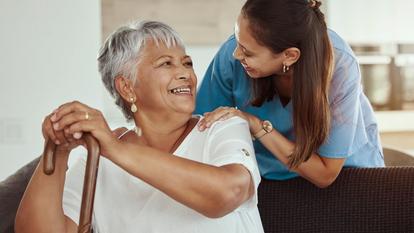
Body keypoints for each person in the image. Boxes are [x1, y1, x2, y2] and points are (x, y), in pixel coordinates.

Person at [15, 21, 264, 233]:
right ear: (127, 87)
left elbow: (228, 194)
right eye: (166, 64)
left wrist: (115, 149)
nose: (185, 73)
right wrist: (57, 152)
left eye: (186, 63)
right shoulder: (98, 159)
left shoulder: (222, 126)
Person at [196, 0, 385, 188]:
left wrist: (256, 125)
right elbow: (201, 131)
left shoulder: (340, 65)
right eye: (238, 42)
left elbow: (325, 174)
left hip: (344, 176)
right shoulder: (232, 55)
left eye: (247, 52)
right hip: (266, 176)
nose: (236, 54)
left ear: (290, 55)